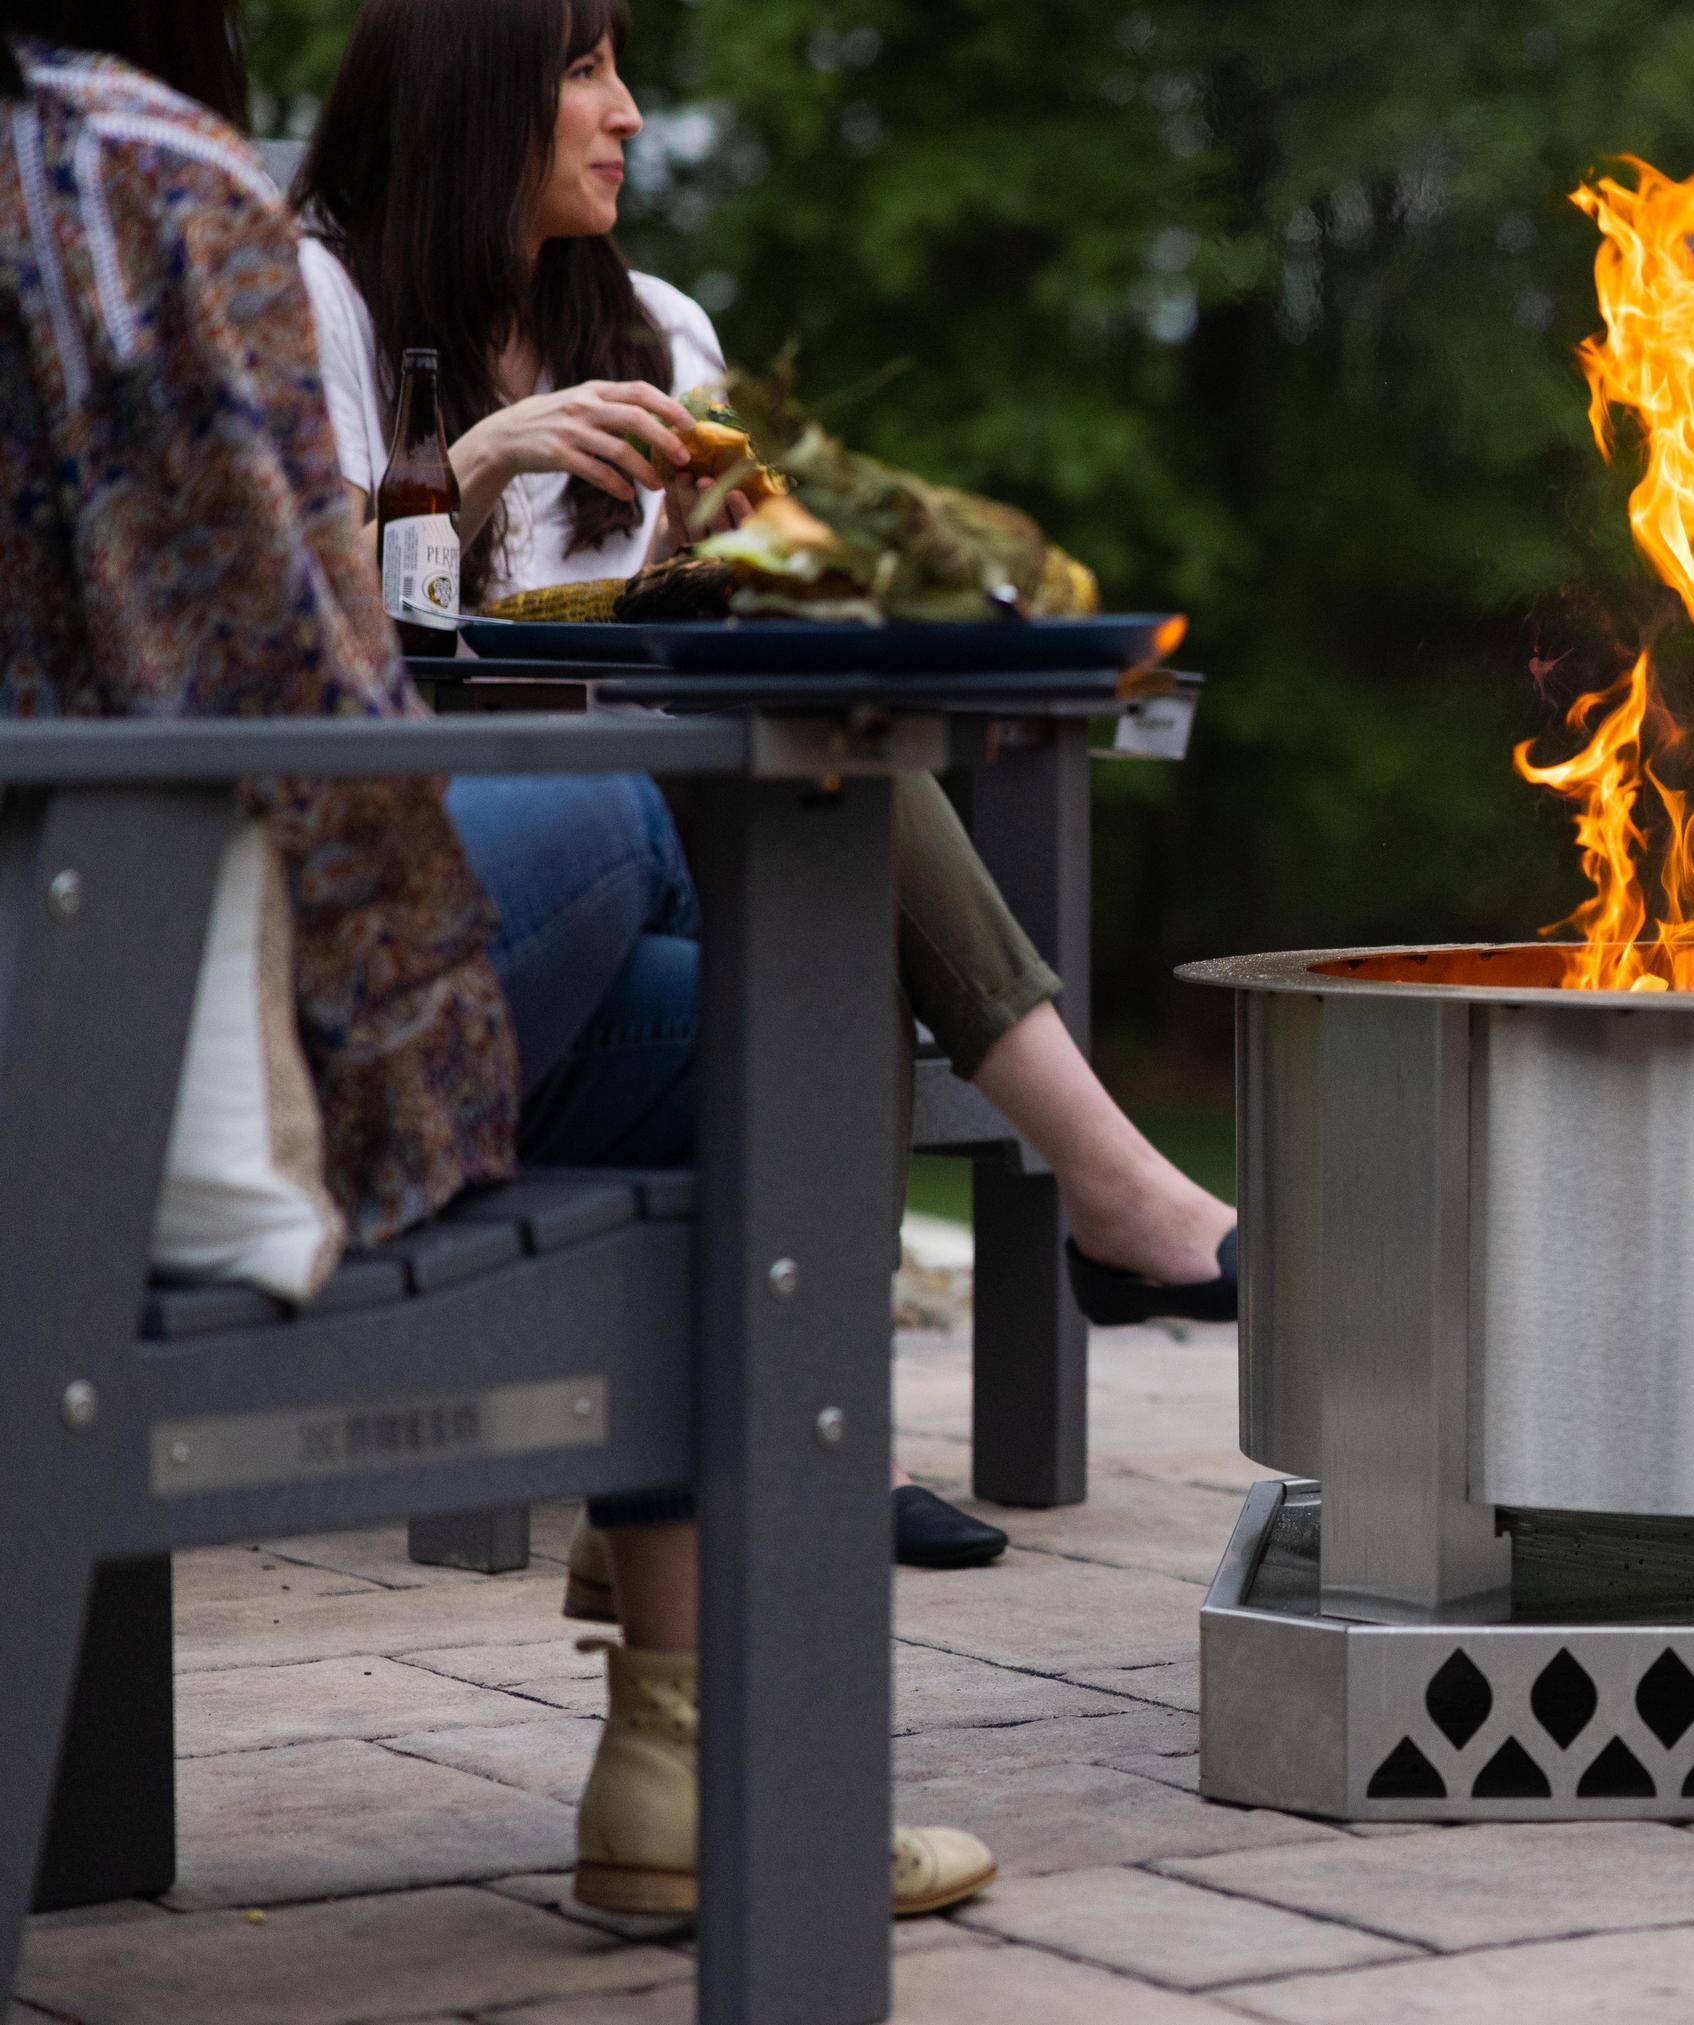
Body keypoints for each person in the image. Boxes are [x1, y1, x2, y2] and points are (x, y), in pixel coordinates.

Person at [0, 0, 991, 1919]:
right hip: (123, 1056)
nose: (623, 109)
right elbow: (288, 692)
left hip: (84, 955)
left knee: (723, 995)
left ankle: (684, 1754)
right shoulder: (123, 190)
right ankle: (716, 1730)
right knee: (663, 855)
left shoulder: (622, 314)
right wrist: (456, 500)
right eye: (584, 64)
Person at [288, 0, 1243, 1586]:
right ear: (471, 98)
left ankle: (822, 1418)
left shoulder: (654, 326)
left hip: (687, 815)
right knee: (817, 818)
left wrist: (799, 564)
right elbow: (266, 606)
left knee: (816, 806)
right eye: (585, 70)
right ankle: (1091, 1200)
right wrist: (476, 462)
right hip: (467, 853)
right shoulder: (322, 297)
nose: (633, 112)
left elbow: (739, 591)